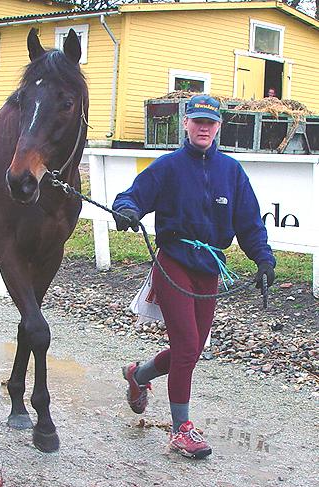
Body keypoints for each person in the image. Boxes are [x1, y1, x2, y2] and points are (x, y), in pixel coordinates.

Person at [112, 94, 275, 459]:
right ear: (186, 124)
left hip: (209, 267)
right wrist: (126, 211)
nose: (204, 128)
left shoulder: (231, 172)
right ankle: (180, 429)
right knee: (187, 346)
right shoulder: (168, 167)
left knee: (193, 350)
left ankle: (139, 375)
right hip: (173, 262)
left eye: (210, 123)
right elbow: (131, 197)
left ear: (219, 127)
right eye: (198, 121)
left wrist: (264, 260)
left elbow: (250, 223)